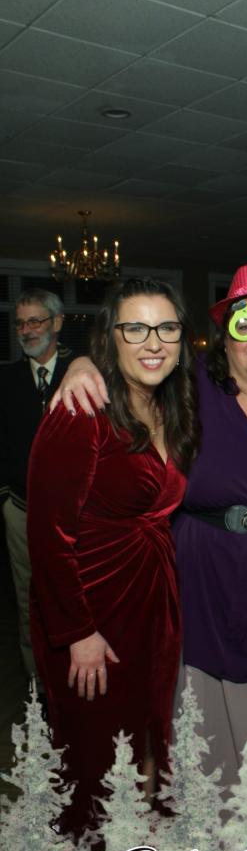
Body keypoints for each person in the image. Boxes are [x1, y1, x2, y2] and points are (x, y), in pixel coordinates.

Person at [53, 265, 247, 804]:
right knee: (202, 739)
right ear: (223, 338)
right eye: (244, 325)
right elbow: (134, 364)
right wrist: (80, 364)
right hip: (205, 584)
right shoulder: (189, 392)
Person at [28, 277, 199, 841]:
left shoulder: (173, 405)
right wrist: (77, 631)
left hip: (152, 604)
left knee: (149, 735)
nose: (153, 342)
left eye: (166, 327)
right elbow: (47, 536)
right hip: (92, 613)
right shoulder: (82, 410)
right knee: (96, 755)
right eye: (136, 328)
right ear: (111, 336)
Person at [0, 289, 71, 684]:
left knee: (72, 595)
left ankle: (73, 679)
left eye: (35, 321)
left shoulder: (81, 371)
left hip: (74, 518)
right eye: (20, 324)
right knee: (29, 599)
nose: (26, 330)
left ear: (57, 323)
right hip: (20, 511)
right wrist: (4, 500)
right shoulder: (6, 380)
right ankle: (38, 686)